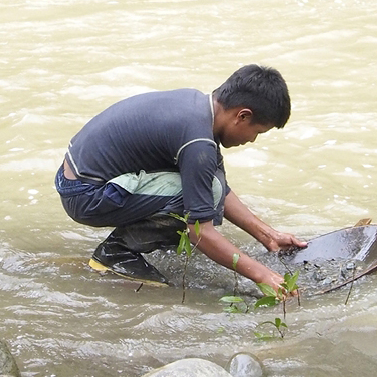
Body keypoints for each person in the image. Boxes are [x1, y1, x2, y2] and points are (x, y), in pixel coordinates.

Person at [55, 64, 308, 289]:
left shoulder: (198, 107)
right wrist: (264, 276)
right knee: (208, 193)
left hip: (79, 178)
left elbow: (217, 186)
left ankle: (138, 242)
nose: (252, 140)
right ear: (242, 116)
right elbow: (201, 232)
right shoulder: (198, 142)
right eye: (258, 132)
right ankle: (117, 253)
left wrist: (268, 236)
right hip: (85, 194)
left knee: (212, 186)